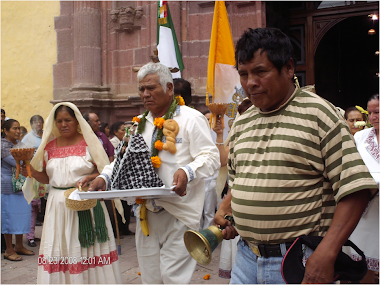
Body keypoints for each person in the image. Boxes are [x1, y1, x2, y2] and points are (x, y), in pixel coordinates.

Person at [213, 27, 378, 284]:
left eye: (260, 71)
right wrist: (234, 213)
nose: (250, 83)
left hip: (297, 261)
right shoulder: (242, 124)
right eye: (243, 74)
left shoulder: (319, 115)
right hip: (245, 258)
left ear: (289, 68)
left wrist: (326, 252)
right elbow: (244, 182)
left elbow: (355, 190)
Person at [89, 62, 220, 284]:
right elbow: (123, 159)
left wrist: (187, 171)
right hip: (145, 215)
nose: (145, 94)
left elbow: (211, 157)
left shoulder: (191, 118)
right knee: (150, 279)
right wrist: (104, 177)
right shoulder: (139, 124)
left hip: (180, 213)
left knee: (173, 279)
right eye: (141, 89)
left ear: (169, 88)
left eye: (151, 88)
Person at [22, 102, 122, 283]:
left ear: (77, 121)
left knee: (86, 250)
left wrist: (91, 177)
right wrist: (30, 171)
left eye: (67, 120)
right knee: (61, 250)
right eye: (59, 121)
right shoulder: (48, 148)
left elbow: (105, 171)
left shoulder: (90, 144)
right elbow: (47, 178)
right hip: (57, 207)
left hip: (86, 204)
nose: (63, 124)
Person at [349, 94, 379, 283]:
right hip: (365, 208)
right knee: (362, 260)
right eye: (370, 113)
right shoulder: (360, 137)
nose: (373, 117)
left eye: (377, 112)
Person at [1, 119, 34, 261]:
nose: (18, 131)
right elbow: (17, 162)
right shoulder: (2, 145)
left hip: (21, 185)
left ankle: (19, 245)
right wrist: (28, 157)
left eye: (19, 128)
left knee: (21, 215)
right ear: (5, 131)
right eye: (14, 128)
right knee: (9, 217)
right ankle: (9, 249)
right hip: (7, 186)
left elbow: (27, 159)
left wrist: (28, 157)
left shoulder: (18, 145)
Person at [22, 115, 45, 247]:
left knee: (38, 207)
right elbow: (24, 156)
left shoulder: (45, 135)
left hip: (43, 175)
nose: (39, 125)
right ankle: (29, 236)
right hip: (32, 175)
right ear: (31, 124)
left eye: (40, 122)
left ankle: (32, 234)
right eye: (36, 123)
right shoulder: (28, 138)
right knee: (32, 205)